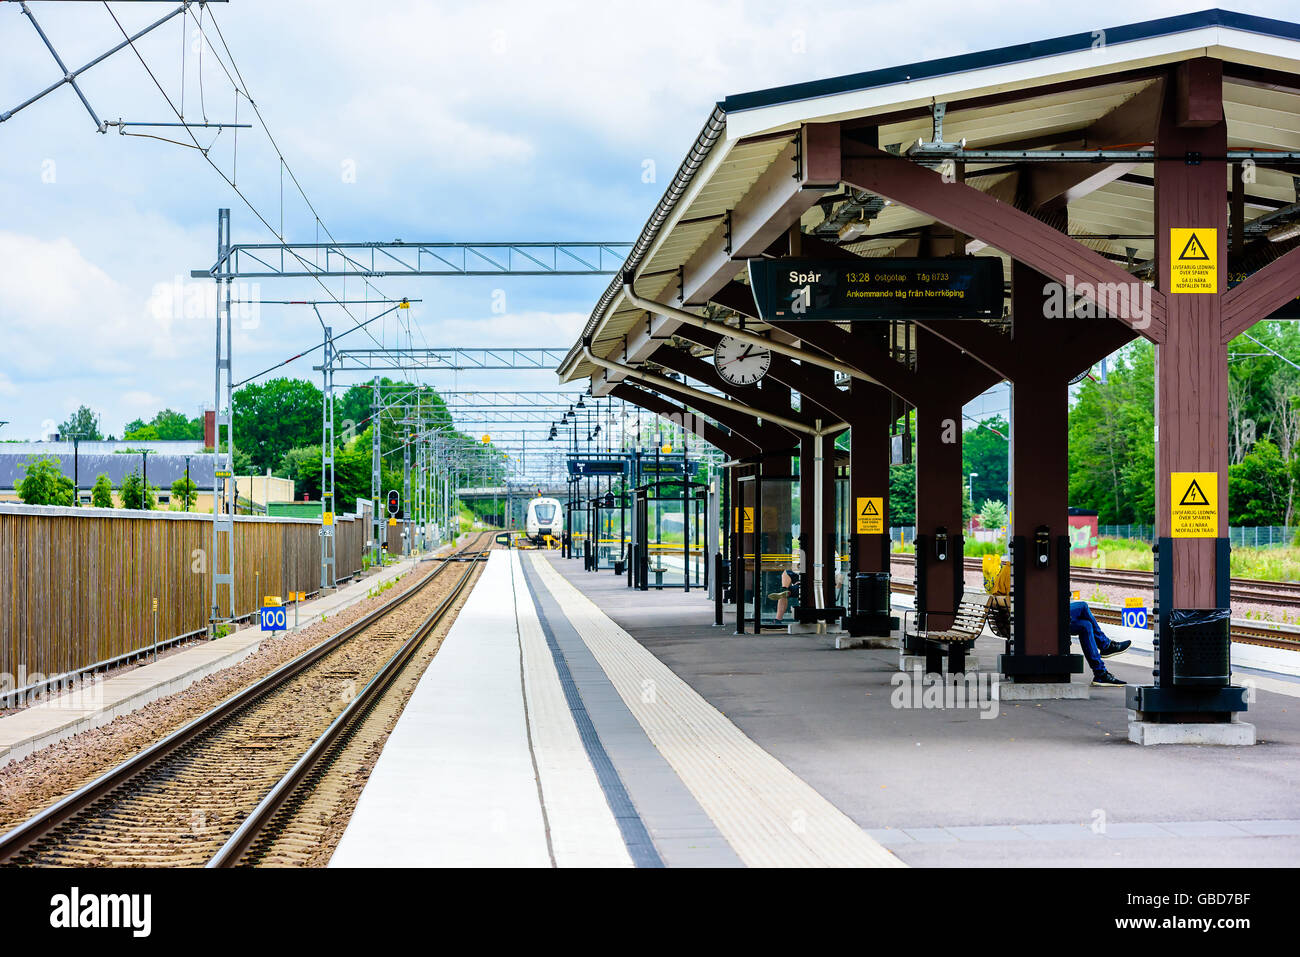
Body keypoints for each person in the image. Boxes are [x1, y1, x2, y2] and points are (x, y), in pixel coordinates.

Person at [1071, 600, 1131, 686]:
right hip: (1049, 616)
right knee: (1082, 606)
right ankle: (1106, 645)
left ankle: (1100, 674)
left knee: (1086, 625)